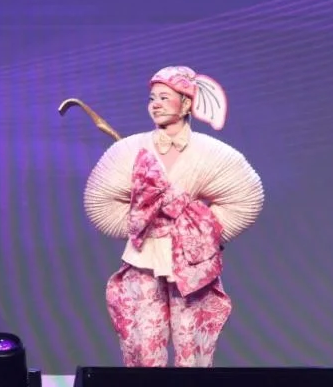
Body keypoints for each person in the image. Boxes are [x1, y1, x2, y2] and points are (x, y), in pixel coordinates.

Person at [82, 67, 263, 367]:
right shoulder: (130, 149)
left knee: (191, 339)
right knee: (143, 337)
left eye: (164, 98)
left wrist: (197, 226)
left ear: (186, 103)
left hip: (191, 258)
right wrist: (144, 216)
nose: (155, 104)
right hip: (144, 255)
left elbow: (246, 198)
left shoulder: (210, 152)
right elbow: (100, 201)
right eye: (152, 98)